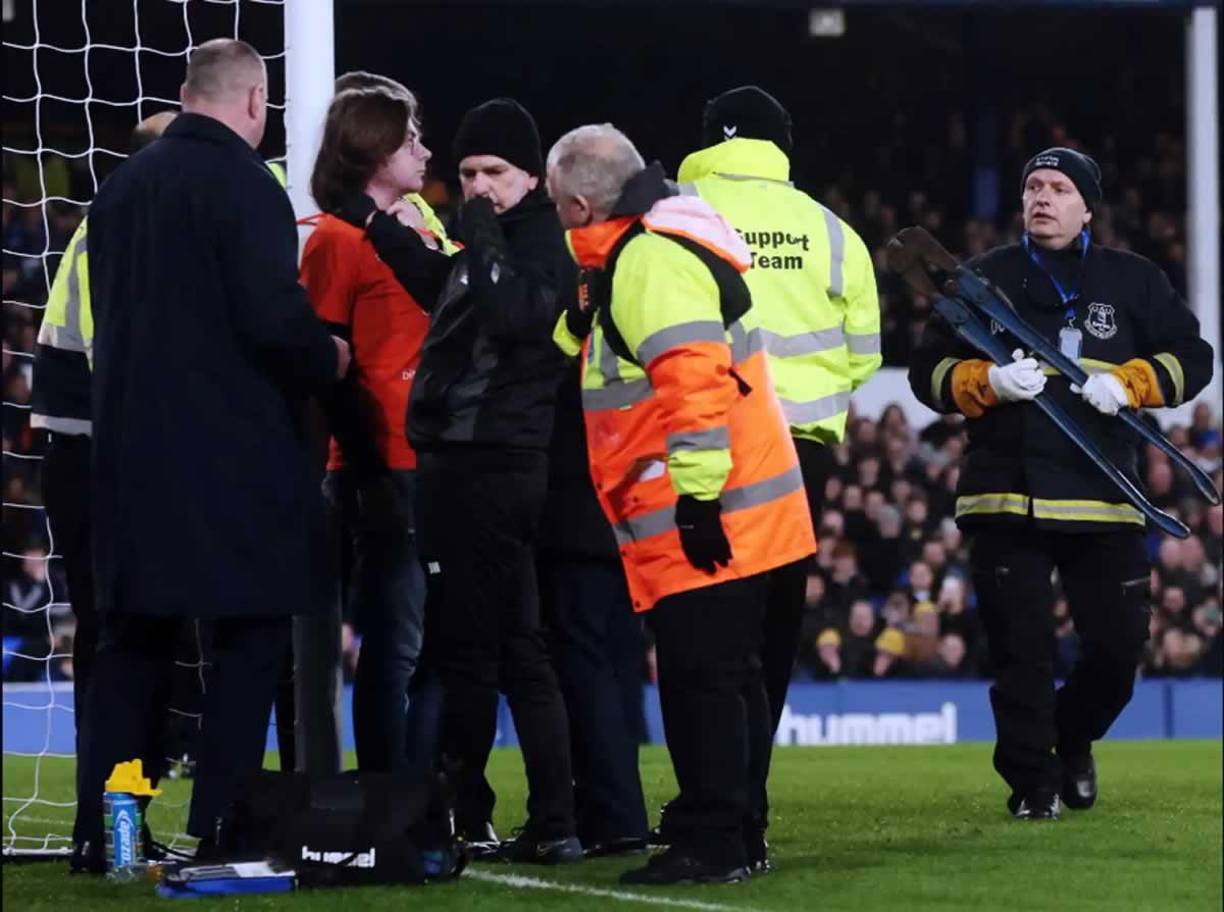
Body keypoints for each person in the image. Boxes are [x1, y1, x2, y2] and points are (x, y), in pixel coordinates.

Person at [72, 39, 348, 869]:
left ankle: (112, 832)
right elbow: (270, 321)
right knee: (249, 638)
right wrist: (325, 355)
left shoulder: (120, 188)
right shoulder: (246, 186)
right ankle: (221, 823)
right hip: (229, 462)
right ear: (257, 101)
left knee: (133, 656)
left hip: (128, 459)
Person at [909, 146, 1213, 819]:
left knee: (1115, 653)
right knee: (1020, 655)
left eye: (1056, 188)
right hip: (1002, 495)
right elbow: (925, 374)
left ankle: (1072, 741)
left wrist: (1131, 382)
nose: (1041, 198)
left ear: (1087, 207)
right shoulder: (981, 279)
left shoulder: (1134, 280)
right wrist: (981, 382)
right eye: (1032, 188)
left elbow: (1194, 359)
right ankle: (1031, 784)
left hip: (1104, 495)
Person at [547, 124, 816, 884]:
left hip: (707, 511)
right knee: (730, 679)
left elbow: (691, 381)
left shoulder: (649, 261)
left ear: (577, 201)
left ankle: (712, 840)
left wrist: (697, 502)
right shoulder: (656, 246)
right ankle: (737, 832)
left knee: (705, 680)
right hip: (744, 504)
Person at [663, 83, 881, 866]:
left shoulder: (676, 210)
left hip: (702, 439)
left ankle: (713, 809)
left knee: (705, 641)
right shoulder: (832, 232)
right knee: (770, 639)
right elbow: (864, 356)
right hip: (800, 455)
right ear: (779, 142)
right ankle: (745, 808)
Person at [378, 98, 580, 863]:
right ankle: (522, 815)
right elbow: (452, 296)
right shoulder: (494, 242)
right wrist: (381, 235)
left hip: (492, 465)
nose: (477, 185)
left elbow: (509, 313)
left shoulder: (539, 245)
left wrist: (482, 228)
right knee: (503, 646)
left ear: (532, 175)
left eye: (493, 171)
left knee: (490, 651)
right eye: (466, 172)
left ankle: (483, 811)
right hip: (472, 464)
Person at [299, 81, 442, 774]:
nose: (424, 149)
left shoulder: (419, 223)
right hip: (382, 465)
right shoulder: (333, 239)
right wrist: (367, 469)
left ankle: (428, 794)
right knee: (397, 642)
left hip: (437, 457)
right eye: (411, 136)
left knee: (434, 642)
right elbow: (325, 364)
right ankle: (388, 793)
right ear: (374, 149)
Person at [30, 111, 175, 774]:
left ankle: (121, 796)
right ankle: (109, 803)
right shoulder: (120, 227)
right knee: (120, 630)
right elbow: (112, 358)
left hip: (85, 449)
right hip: (98, 454)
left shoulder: (110, 221)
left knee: (120, 629)